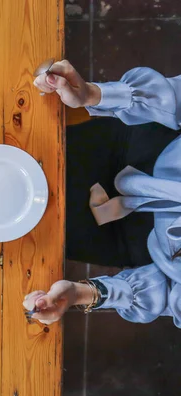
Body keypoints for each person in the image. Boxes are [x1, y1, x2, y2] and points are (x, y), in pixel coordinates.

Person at [24, 61, 181, 328]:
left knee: (24, 240)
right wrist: (92, 94)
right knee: (22, 153)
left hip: (134, 241)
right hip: (140, 148)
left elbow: (168, 296)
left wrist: (83, 293)